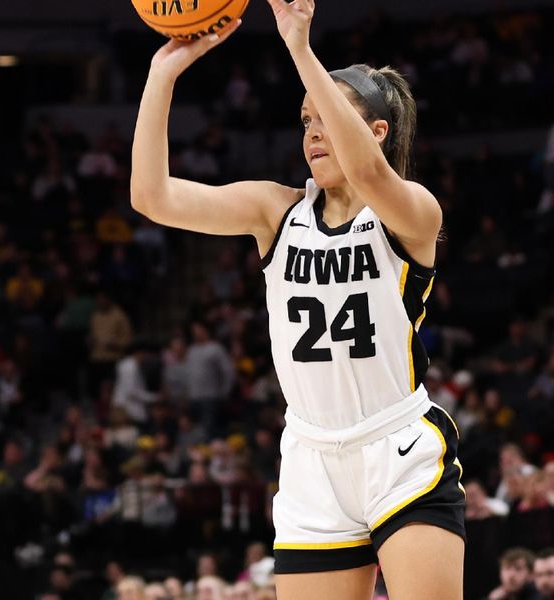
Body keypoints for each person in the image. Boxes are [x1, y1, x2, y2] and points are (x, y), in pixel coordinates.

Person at [130, 0, 464, 598]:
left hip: (400, 449)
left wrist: (300, 47)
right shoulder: (276, 211)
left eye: (328, 117)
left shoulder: (412, 211)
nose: (313, 132)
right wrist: (163, 73)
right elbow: (152, 197)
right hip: (311, 457)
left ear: (377, 132)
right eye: (305, 119)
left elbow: (368, 177)